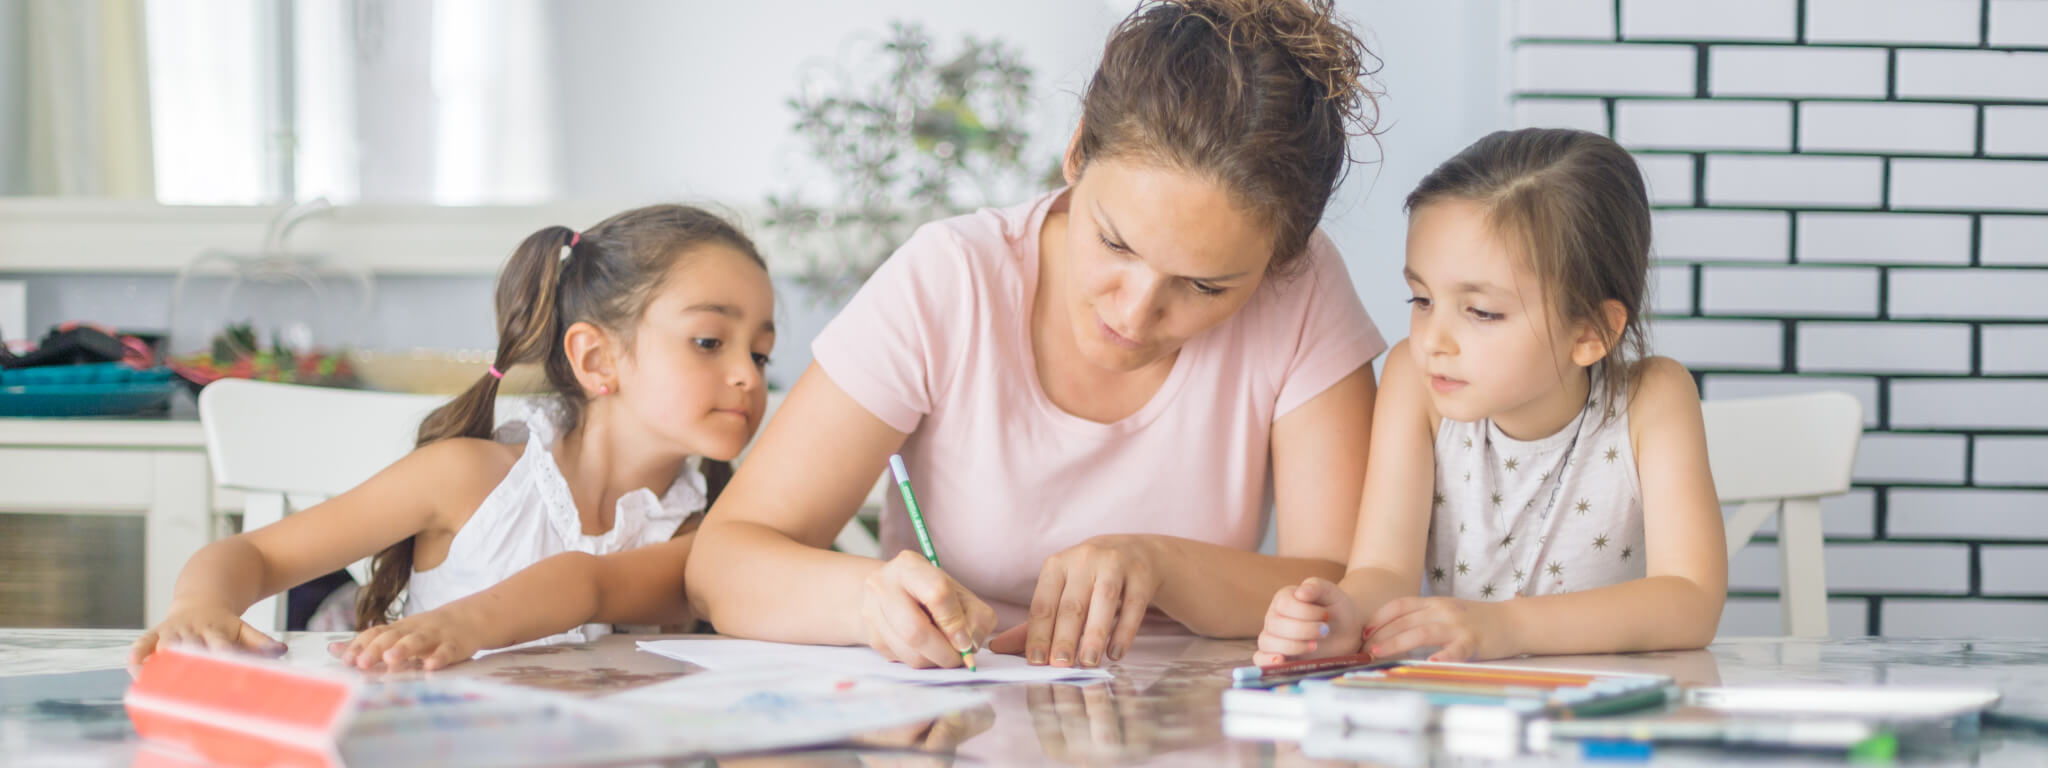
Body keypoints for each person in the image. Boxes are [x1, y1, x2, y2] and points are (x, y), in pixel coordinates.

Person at [690, 0, 1388, 670]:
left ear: (1280, 261)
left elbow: (1337, 582)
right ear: (1078, 150)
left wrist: (1160, 564)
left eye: (1205, 287)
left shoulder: (1304, 290)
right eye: (1115, 243)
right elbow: (724, 565)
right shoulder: (953, 279)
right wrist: (866, 601)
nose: (1136, 313)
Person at [132, 205, 776, 670]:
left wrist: (466, 625)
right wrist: (201, 604)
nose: (747, 375)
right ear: (597, 360)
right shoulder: (469, 477)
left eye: (762, 354)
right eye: (709, 342)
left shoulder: (707, 529)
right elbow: (256, 557)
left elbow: (590, 587)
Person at [1256, 128, 1727, 665]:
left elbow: (1691, 600)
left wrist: (1510, 625)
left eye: (1481, 312)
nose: (1433, 340)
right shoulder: (1414, 382)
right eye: (1423, 298)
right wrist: (1341, 614)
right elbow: (1384, 569)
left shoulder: (1652, 401)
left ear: (1591, 332)